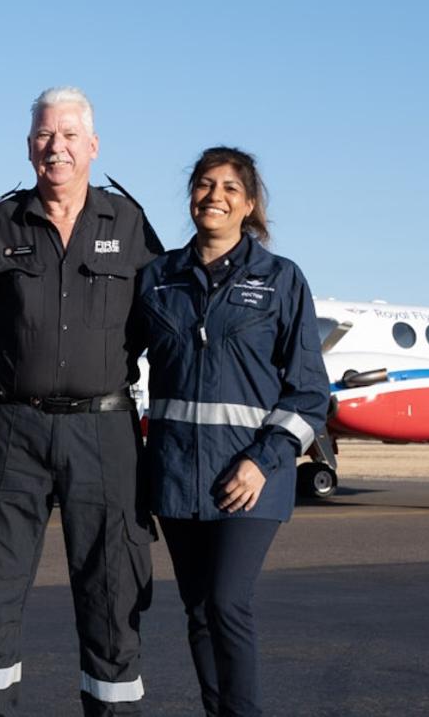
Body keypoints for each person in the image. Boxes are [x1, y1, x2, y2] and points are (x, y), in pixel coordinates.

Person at [0, 86, 163, 717]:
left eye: (70, 135)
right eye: (46, 135)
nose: (57, 147)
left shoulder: (128, 224)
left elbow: (167, 323)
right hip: (8, 430)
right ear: (29, 147)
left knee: (113, 593)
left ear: (93, 146)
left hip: (104, 433)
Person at [136, 147, 329, 716]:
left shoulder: (281, 280)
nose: (213, 195)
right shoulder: (158, 278)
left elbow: (310, 391)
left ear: (248, 204)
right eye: (203, 184)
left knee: (228, 602)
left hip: (248, 480)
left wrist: (262, 460)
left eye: (228, 187)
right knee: (197, 609)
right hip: (175, 477)